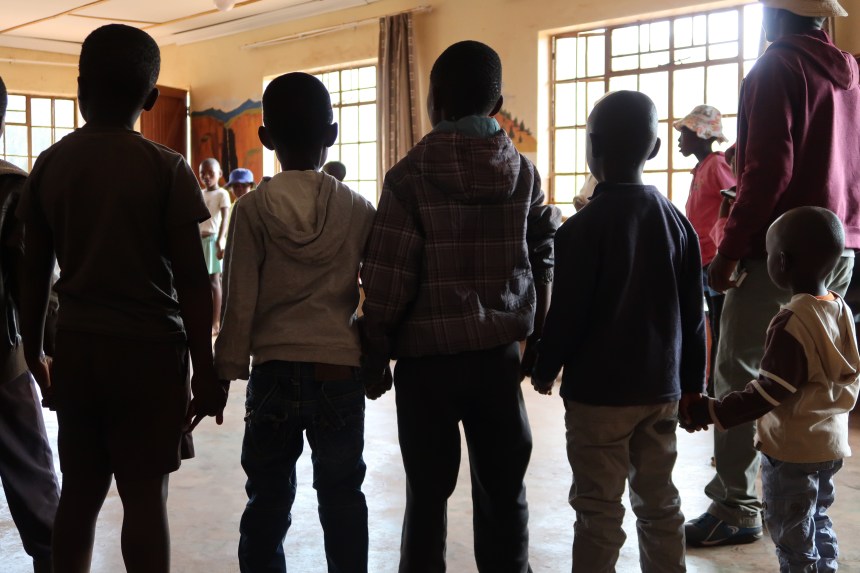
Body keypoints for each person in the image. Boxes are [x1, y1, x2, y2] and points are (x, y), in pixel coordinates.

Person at [16, 24, 226, 573]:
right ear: (151, 98)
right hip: (152, 357)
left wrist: (35, 349)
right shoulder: (167, 169)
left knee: (79, 497)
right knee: (144, 501)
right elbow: (192, 281)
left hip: (81, 352)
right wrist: (205, 370)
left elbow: (32, 271)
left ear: (80, 87)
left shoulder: (51, 164)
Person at [361, 40, 560, 573]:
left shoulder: (408, 176)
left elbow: (388, 275)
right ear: (496, 107)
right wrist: (536, 334)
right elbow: (543, 253)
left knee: (426, 493)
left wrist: (375, 347)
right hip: (498, 358)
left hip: (426, 366)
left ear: (435, 100)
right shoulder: (524, 173)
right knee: (503, 487)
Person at [690, 0, 860, 546]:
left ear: (771, 13)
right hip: (840, 245)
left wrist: (729, 252)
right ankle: (807, 494)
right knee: (812, 375)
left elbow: (769, 171)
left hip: (781, 254)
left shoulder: (775, 67)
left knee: (741, 368)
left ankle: (736, 506)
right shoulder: (851, 73)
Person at [530, 91, 706, 573]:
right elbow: (695, 313)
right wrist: (694, 385)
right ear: (653, 150)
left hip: (598, 398)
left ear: (592, 147)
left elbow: (569, 312)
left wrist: (546, 366)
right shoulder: (679, 224)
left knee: (598, 509)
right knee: (660, 502)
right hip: (661, 392)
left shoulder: (580, 229)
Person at [214, 72, 376, 573]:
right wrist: (377, 356)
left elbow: (239, 303)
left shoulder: (252, 210)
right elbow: (377, 295)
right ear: (331, 134)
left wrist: (224, 374)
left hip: (273, 377)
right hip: (340, 373)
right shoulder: (358, 209)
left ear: (264, 139)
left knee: (266, 498)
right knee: (343, 494)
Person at [685, 207, 859, 573]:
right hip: (828, 445)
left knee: (790, 531)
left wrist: (713, 411)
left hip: (794, 452)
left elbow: (767, 392)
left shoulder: (790, 320)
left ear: (781, 261)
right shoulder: (839, 308)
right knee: (817, 518)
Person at [0, 75, 60, 573]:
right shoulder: (9, 186)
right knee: (33, 478)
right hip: (3, 362)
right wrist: (44, 352)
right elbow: (32, 279)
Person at [675, 105, 735, 394]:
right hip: (703, 260)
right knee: (712, 323)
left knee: (722, 325)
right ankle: (710, 386)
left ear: (701, 135)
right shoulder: (701, 168)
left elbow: (734, 198)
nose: (679, 139)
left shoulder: (717, 166)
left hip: (716, 260)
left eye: (684, 132)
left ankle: (718, 389)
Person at [199, 157, 231, 336]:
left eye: (210, 173)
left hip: (213, 240)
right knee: (202, 282)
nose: (206, 177)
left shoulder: (222, 194)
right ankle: (205, 319)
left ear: (219, 174)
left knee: (214, 281)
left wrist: (220, 240)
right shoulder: (201, 193)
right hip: (200, 240)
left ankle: (216, 323)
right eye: (203, 173)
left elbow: (225, 219)